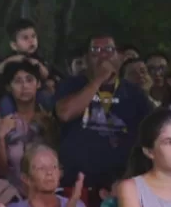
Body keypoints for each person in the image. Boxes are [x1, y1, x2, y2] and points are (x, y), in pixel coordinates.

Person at [55, 34, 153, 193]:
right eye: (95, 51)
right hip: (76, 184)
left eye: (108, 50)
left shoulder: (135, 94)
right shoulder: (71, 85)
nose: (102, 55)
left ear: (120, 57)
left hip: (122, 185)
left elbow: (152, 136)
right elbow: (65, 114)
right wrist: (98, 80)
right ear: (86, 59)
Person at [0, 60, 58, 190]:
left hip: (47, 192)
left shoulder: (49, 118)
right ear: (9, 87)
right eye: (18, 81)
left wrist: (50, 129)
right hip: (12, 194)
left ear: (38, 84)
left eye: (29, 80)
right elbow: (0, 170)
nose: (24, 86)